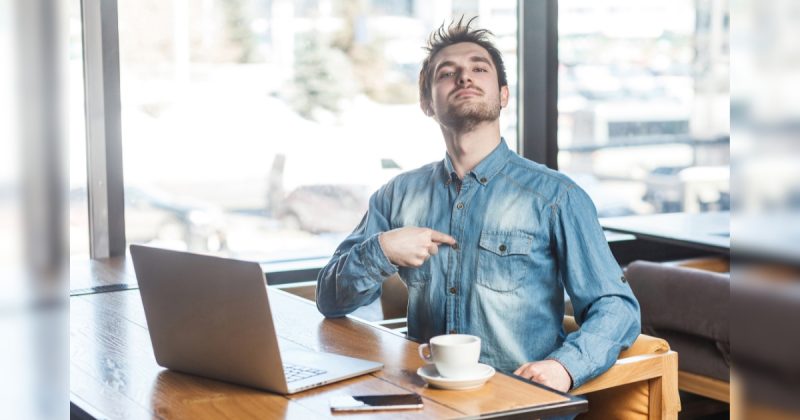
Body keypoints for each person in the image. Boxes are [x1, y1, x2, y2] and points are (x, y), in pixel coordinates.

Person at [316, 17, 640, 393]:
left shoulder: (557, 197)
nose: (464, 78)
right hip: (426, 403)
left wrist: (563, 367)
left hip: (520, 406)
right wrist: (381, 250)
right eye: (447, 73)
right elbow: (330, 300)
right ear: (426, 104)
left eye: (478, 68)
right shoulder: (396, 195)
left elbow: (617, 308)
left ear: (503, 95)